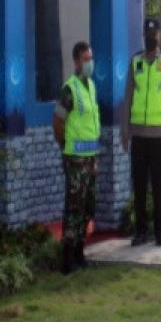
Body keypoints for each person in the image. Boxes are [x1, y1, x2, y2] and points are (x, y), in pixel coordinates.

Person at [122, 17, 161, 247]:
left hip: (159, 136)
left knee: (159, 186)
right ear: (143, 35)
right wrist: (125, 131)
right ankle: (141, 231)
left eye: (154, 33)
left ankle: (160, 231)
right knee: (140, 185)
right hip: (139, 136)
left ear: (160, 35)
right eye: (147, 33)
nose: (151, 37)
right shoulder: (135, 62)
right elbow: (127, 98)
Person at [52, 41, 100, 274]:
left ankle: (81, 253)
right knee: (74, 208)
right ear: (76, 62)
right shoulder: (69, 89)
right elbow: (58, 121)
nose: (90, 63)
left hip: (90, 157)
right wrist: (64, 147)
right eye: (85, 59)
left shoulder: (90, 86)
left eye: (91, 58)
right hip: (75, 158)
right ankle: (67, 258)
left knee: (88, 207)